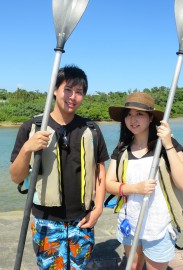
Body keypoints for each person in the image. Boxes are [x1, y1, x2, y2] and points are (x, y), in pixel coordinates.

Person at [10, 65, 109, 269]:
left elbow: (100, 171)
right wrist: (27, 148)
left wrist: (98, 208)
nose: (73, 96)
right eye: (68, 89)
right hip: (46, 221)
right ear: (55, 90)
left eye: (79, 92)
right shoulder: (32, 127)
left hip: (82, 220)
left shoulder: (91, 130)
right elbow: (15, 177)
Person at [105, 92, 183, 270]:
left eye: (139, 114)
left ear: (151, 117)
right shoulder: (122, 149)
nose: (133, 119)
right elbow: (109, 184)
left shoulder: (168, 145)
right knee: (135, 265)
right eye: (128, 114)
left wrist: (167, 144)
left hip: (159, 224)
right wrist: (134, 188)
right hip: (131, 221)